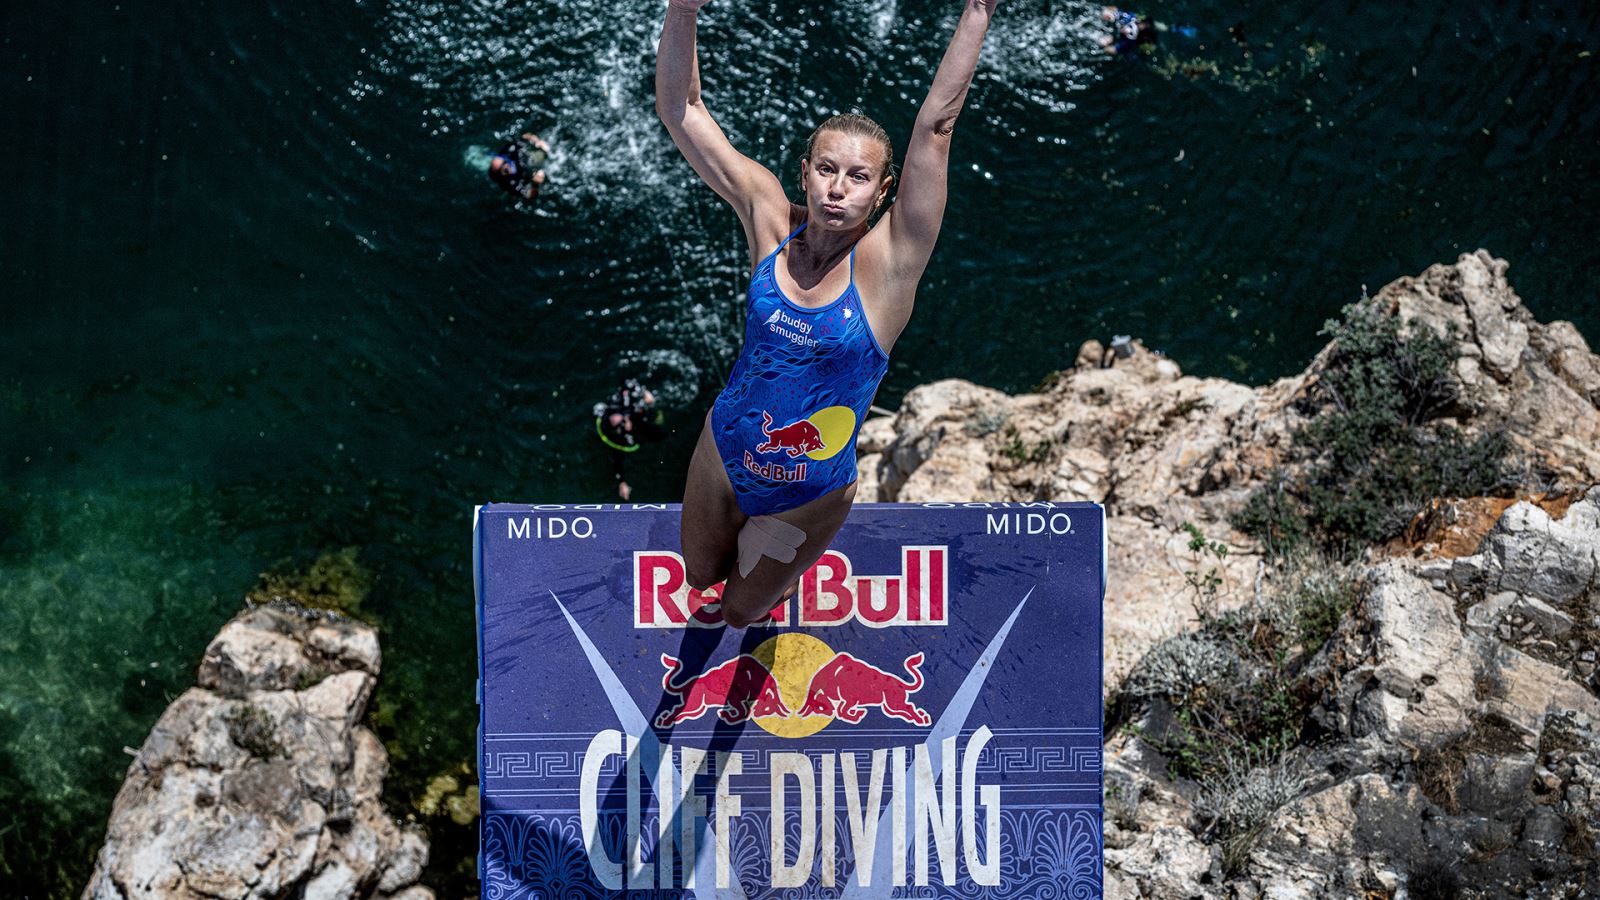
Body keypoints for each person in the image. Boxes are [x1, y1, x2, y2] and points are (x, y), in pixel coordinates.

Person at [656, 0, 1001, 627]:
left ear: (884, 190)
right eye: (827, 169)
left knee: (738, 612)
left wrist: (977, 11)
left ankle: (781, 584)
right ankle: (742, 557)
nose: (839, 188)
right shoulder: (768, 219)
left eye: (859, 177)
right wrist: (683, 10)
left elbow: (935, 129)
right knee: (699, 576)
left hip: (806, 494)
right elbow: (683, 111)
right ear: (806, 174)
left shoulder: (889, 264)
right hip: (727, 447)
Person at [593, 378, 665, 501]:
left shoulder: (620, 403)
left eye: (615, 417)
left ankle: (657, 410)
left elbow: (628, 383)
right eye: (617, 424)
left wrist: (644, 393)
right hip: (643, 429)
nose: (619, 420)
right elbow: (617, 460)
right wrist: (622, 482)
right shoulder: (624, 437)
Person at [488, 132, 551, 200]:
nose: (507, 165)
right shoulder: (510, 184)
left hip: (532, 156)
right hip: (534, 173)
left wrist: (537, 141)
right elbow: (529, 196)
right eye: (505, 170)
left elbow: (524, 136)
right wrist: (536, 184)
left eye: (505, 160)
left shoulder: (509, 151)